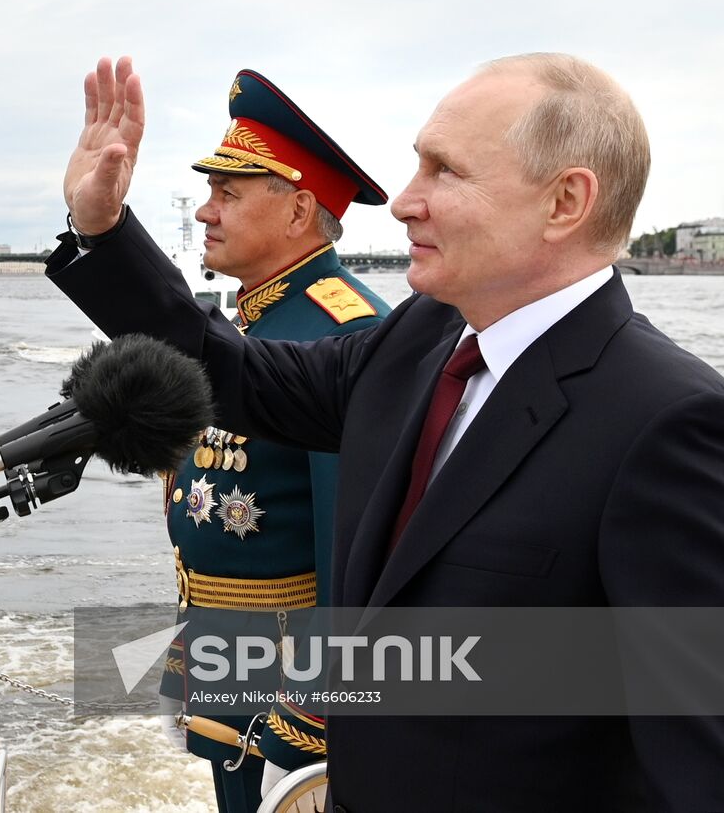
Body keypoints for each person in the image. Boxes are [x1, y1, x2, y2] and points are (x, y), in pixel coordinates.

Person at [49, 54, 724, 810]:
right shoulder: (419, 341)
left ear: (564, 201)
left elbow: (695, 763)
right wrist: (101, 228)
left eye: (444, 171)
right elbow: (227, 369)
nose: (404, 202)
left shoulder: (672, 423)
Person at [152, 70, 390, 811]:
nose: (205, 210)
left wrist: (315, 709)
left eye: (229, 192)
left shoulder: (345, 331)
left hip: (289, 693)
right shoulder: (252, 325)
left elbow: (350, 551)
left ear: (297, 211)